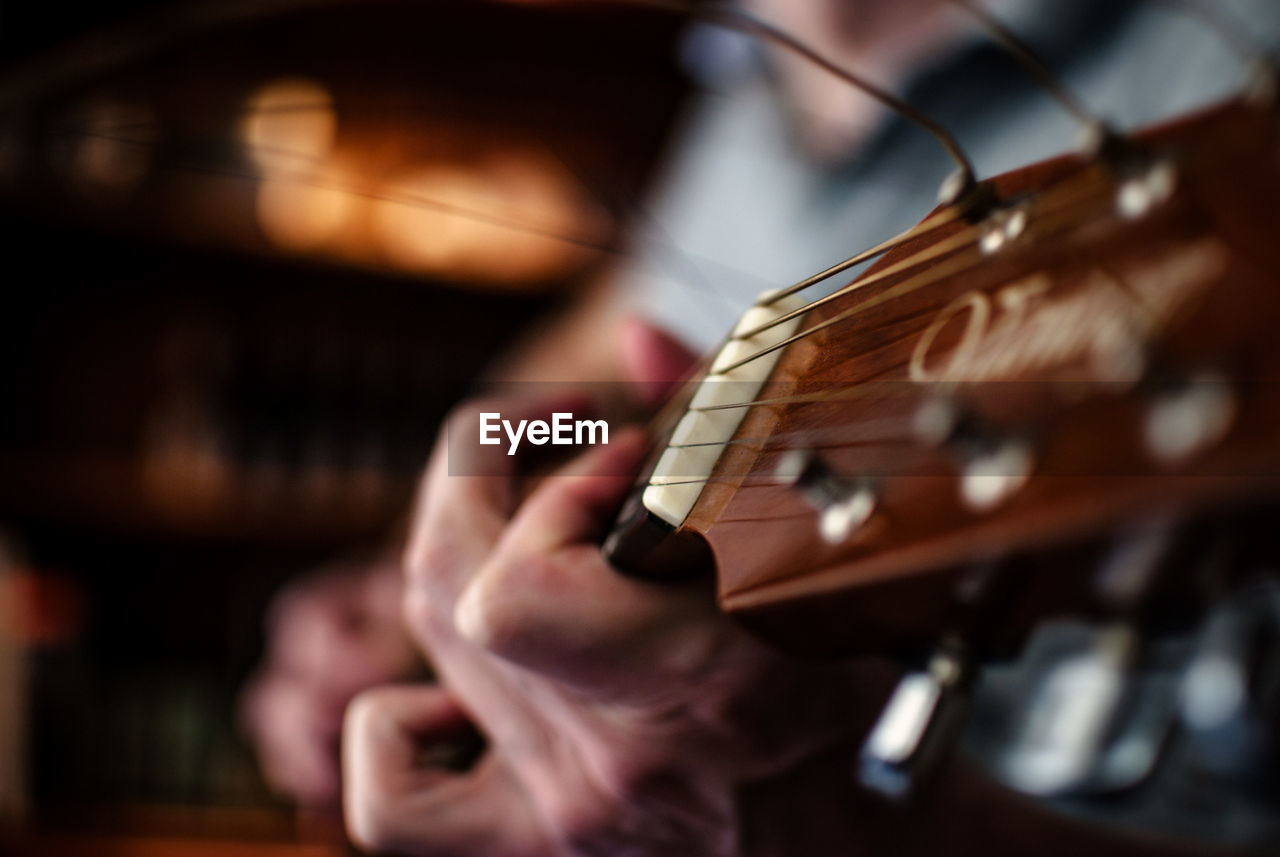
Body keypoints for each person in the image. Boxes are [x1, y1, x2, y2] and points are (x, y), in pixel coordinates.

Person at [243, 0, 1280, 853]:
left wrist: (854, 831)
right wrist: (411, 579)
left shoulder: (1231, 46)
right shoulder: (741, 83)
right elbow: (593, 367)